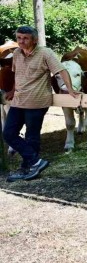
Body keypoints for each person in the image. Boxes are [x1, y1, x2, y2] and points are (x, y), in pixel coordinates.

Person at [4, 26, 78, 182]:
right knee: (8, 133)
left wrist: (70, 89)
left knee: (32, 136)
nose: (21, 41)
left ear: (35, 40)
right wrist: (12, 90)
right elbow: (18, 75)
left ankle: (27, 168)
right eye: (19, 38)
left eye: (25, 38)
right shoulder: (16, 53)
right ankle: (36, 162)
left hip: (37, 101)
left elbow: (61, 71)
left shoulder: (45, 53)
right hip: (18, 100)